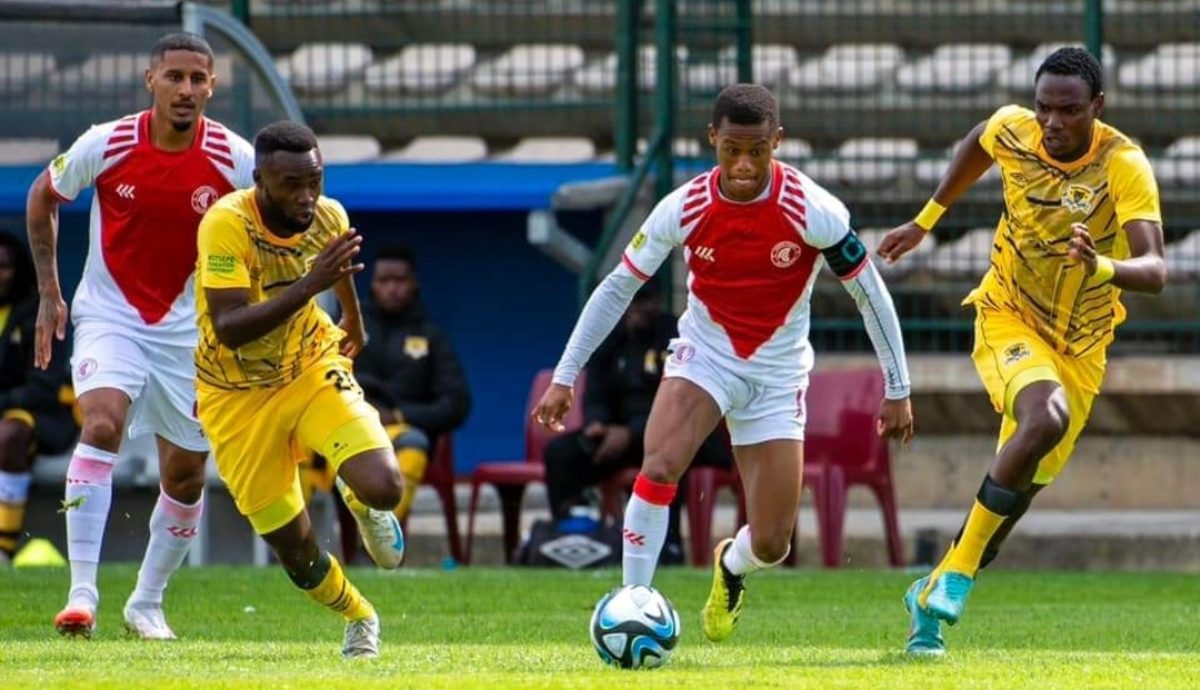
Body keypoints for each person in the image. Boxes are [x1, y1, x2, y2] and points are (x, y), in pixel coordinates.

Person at [533, 84, 914, 642]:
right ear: (713, 138)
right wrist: (566, 375)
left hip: (778, 374)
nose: (742, 164)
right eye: (731, 148)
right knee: (659, 462)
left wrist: (898, 386)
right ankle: (633, 602)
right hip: (705, 357)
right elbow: (617, 288)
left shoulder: (814, 209)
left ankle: (731, 567)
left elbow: (870, 295)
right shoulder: (683, 207)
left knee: (772, 542)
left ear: (776, 143)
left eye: (756, 150)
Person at [876, 47, 1166, 656]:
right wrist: (927, 219)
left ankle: (928, 599)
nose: (1053, 122)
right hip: (1007, 315)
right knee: (1045, 418)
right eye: (1044, 107)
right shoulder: (1016, 129)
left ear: (1097, 108)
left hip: (1081, 343)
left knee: (1013, 499)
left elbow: (1156, 268)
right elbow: (981, 138)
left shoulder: (1123, 162)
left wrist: (1101, 263)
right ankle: (954, 578)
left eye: (1068, 110)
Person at [25, 32, 255, 639]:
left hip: (187, 329)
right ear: (150, 81)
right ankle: (81, 594)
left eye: (198, 79)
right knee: (100, 423)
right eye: (174, 77)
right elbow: (42, 196)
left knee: (184, 475)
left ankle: (146, 603)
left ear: (212, 86)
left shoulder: (236, 159)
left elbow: (276, 226)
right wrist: (51, 292)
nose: (186, 89)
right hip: (111, 314)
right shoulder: (108, 143)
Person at [195, 121, 406, 659]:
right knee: (296, 551)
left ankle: (358, 495)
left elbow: (341, 269)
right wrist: (311, 283)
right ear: (259, 179)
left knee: (385, 484)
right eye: (292, 184)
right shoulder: (226, 224)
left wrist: (354, 320)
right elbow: (231, 325)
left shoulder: (327, 213)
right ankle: (359, 615)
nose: (306, 196)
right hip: (235, 394)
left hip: (308, 365)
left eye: (314, 181)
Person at [542, 280, 731, 564]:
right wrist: (598, 424)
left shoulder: (676, 336)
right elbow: (595, 390)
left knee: (668, 459)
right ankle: (573, 537)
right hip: (616, 435)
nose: (638, 310)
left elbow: (683, 402)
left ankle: (668, 548)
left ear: (657, 301)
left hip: (677, 434)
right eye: (632, 302)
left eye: (645, 301)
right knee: (561, 454)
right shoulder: (612, 338)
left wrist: (630, 434)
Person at [355, 245, 470, 523]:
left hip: (405, 436)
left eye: (400, 280)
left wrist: (398, 416)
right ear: (372, 284)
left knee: (413, 442)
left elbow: (457, 403)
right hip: (352, 430)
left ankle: (382, 532)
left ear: (413, 283)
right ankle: (297, 546)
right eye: (384, 281)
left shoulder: (431, 336)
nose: (392, 288)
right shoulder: (350, 329)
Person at [0, 232, 78, 564]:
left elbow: (43, 388)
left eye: (3, 265)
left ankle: (3, 548)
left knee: (9, 434)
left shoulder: (40, 312)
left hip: (48, 416)